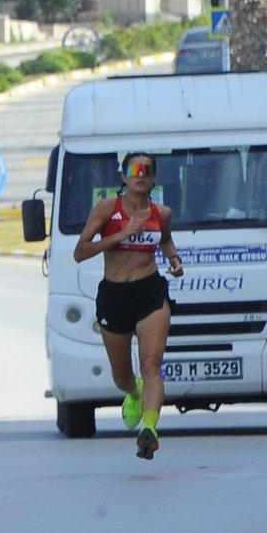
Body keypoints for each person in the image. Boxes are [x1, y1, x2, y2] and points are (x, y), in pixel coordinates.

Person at [72, 149, 184, 459]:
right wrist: (120, 235)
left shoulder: (162, 213)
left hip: (150, 290)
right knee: (121, 375)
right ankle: (133, 393)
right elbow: (80, 252)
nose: (140, 176)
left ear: (154, 177)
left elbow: (165, 239)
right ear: (123, 176)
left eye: (146, 171)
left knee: (152, 364)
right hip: (115, 294)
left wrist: (174, 259)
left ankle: (149, 429)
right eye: (134, 171)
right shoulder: (108, 209)